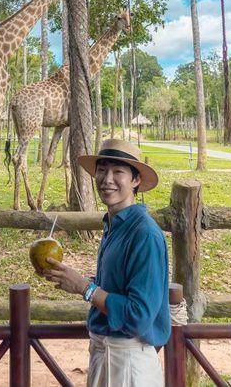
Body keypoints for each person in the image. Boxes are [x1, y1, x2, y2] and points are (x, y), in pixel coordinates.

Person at [42, 139, 170, 386]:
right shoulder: (113, 226)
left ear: (135, 181)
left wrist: (84, 287)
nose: (107, 178)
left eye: (118, 171)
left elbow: (139, 315)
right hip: (107, 356)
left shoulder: (144, 234)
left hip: (127, 365)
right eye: (102, 170)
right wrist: (76, 280)